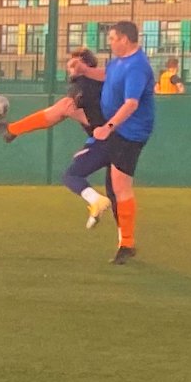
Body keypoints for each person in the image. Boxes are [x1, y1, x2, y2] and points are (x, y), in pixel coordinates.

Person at [0, 48, 114, 229]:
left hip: (108, 138)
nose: (69, 68)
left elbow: (69, 105)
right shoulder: (102, 80)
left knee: (72, 175)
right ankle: (123, 240)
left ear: (85, 64)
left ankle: (11, 130)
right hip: (110, 138)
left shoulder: (84, 84)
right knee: (117, 192)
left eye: (74, 63)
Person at [66, 21, 156, 264]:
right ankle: (125, 243)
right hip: (116, 130)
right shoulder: (119, 60)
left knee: (120, 186)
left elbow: (131, 104)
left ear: (125, 39)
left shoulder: (137, 66)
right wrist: (85, 70)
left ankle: (126, 243)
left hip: (130, 133)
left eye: (113, 38)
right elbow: (107, 75)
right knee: (112, 185)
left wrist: (107, 127)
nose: (110, 42)